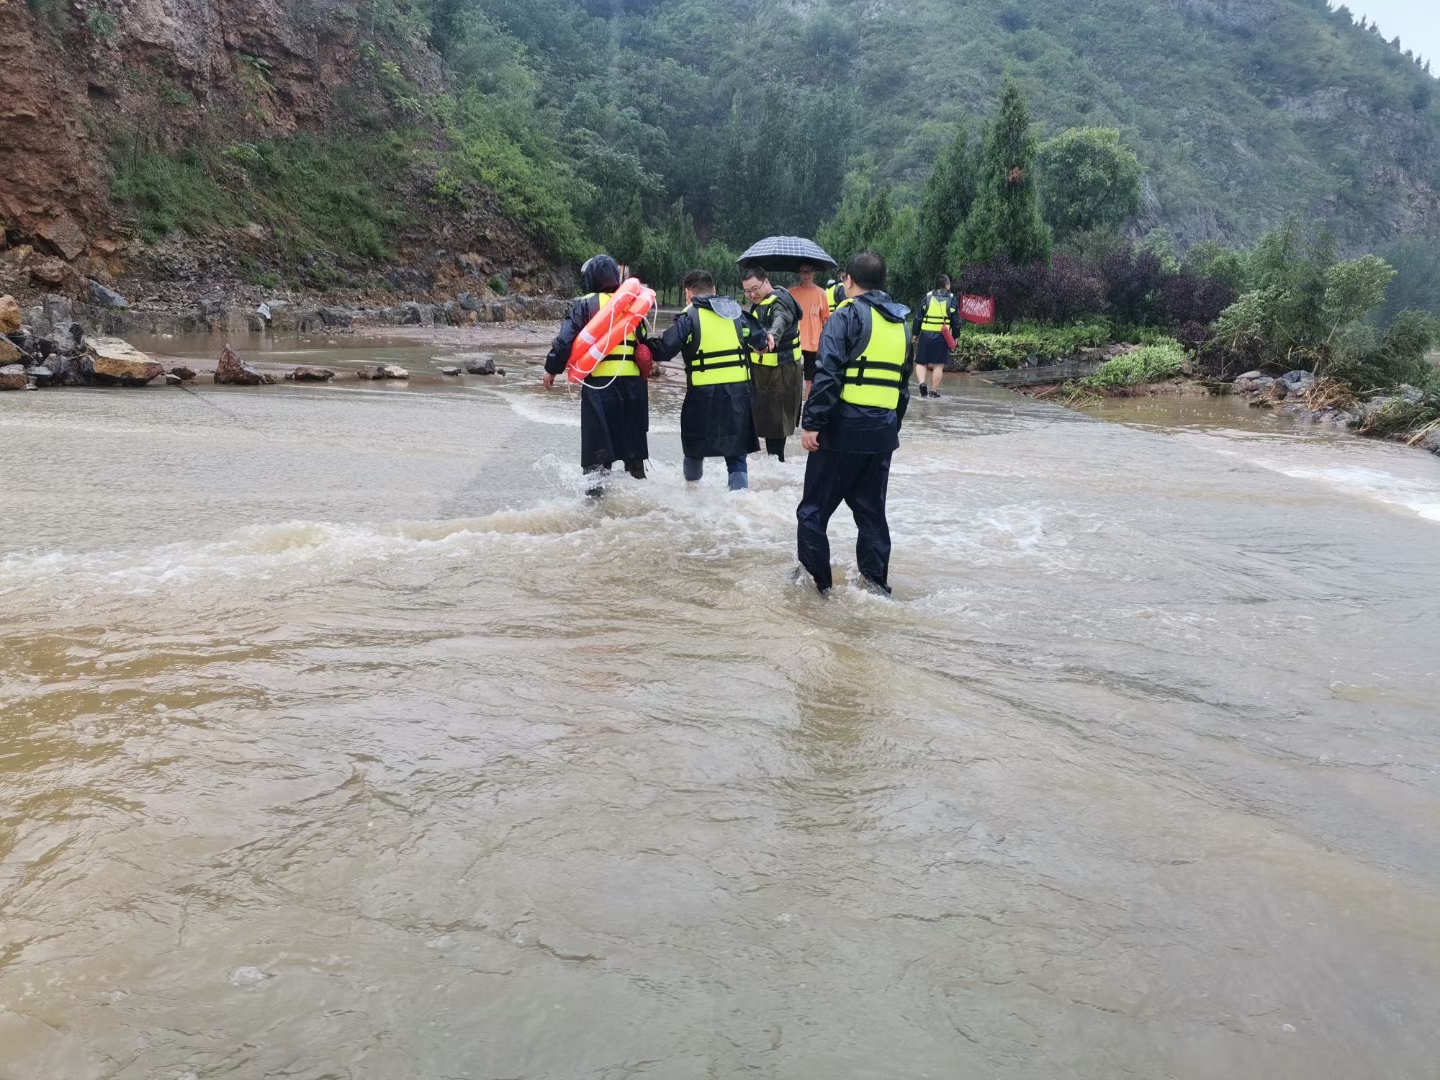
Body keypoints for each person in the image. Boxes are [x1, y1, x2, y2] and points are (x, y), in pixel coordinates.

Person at [796, 251, 913, 595]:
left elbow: (827, 374)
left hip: (842, 431)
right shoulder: (900, 323)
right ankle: (875, 585)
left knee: (812, 512)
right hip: (881, 433)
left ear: (847, 280)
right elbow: (902, 387)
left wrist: (812, 423)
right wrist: (891, 427)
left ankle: (817, 588)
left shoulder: (846, 316)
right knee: (872, 514)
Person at [543, 255, 649, 494]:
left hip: (600, 390)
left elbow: (564, 341)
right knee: (634, 460)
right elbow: (645, 345)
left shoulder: (585, 305)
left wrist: (552, 369)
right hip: (634, 390)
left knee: (596, 461)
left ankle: (594, 518)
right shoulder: (633, 304)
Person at [646, 269, 760, 490]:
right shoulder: (738, 315)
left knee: (694, 447)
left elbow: (663, 350)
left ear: (688, 293)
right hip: (738, 396)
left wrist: (641, 343)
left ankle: (693, 497)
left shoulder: (689, 319)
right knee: (736, 454)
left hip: (702, 397)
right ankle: (739, 503)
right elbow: (761, 339)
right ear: (715, 291)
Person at [741, 267, 804, 461]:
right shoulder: (762, 302)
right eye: (747, 291)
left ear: (765, 282)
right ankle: (771, 476)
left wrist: (771, 336)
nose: (752, 294)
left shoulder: (780, 303)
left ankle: (778, 475)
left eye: (755, 288)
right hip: (764, 373)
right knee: (766, 426)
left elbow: (780, 321)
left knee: (776, 429)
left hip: (782, 374)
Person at [913, 273, 962, 399]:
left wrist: (915, 333)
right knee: (938, 365)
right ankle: (933, 392)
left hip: (925, 334)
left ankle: (922, 383)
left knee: (920, 362)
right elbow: (956, 321)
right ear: (947, 285)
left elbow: (918, 317)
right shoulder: (951, 299)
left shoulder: (928, 297)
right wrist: (956, 336)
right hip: (942, 336)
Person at [788, 262, 832, 403]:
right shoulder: (792, 293)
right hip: (795, 341)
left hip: (813, 343)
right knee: (792, 376)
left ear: (814, 272)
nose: (805, 275)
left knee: (810, 378)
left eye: (808, 272)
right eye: (802, 272)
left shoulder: (821, 294)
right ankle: (792, 403)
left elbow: (825, 320)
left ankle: (807, 405)